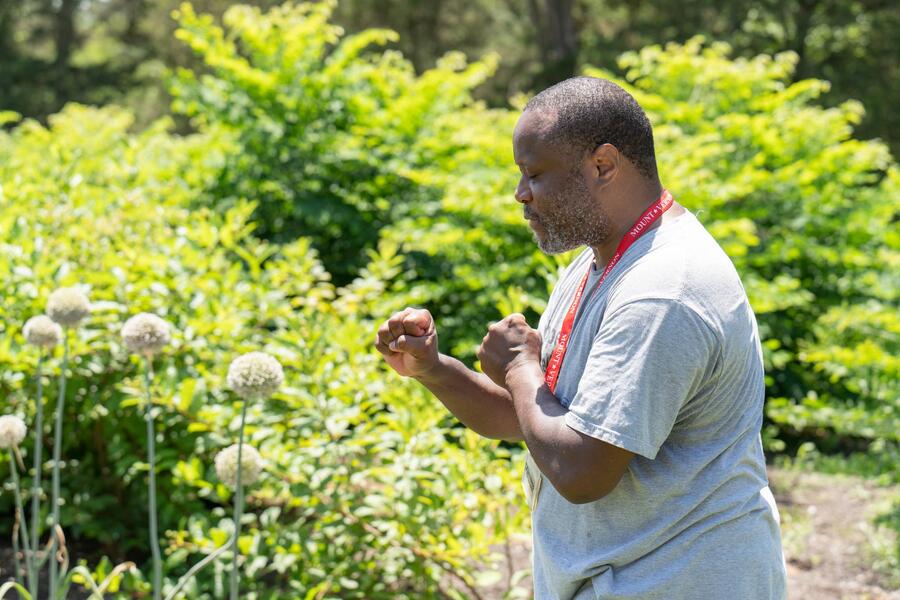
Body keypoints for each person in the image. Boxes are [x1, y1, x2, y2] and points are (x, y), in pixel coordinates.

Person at [374, 76, 787, 600]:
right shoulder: (600, 261)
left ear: (603, 165)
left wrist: (522, 367)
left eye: (535, 174)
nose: (520, 194)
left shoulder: (663, 289)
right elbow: (540, 422)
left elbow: (581, 470)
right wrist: (435, 369)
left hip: (678, 581)